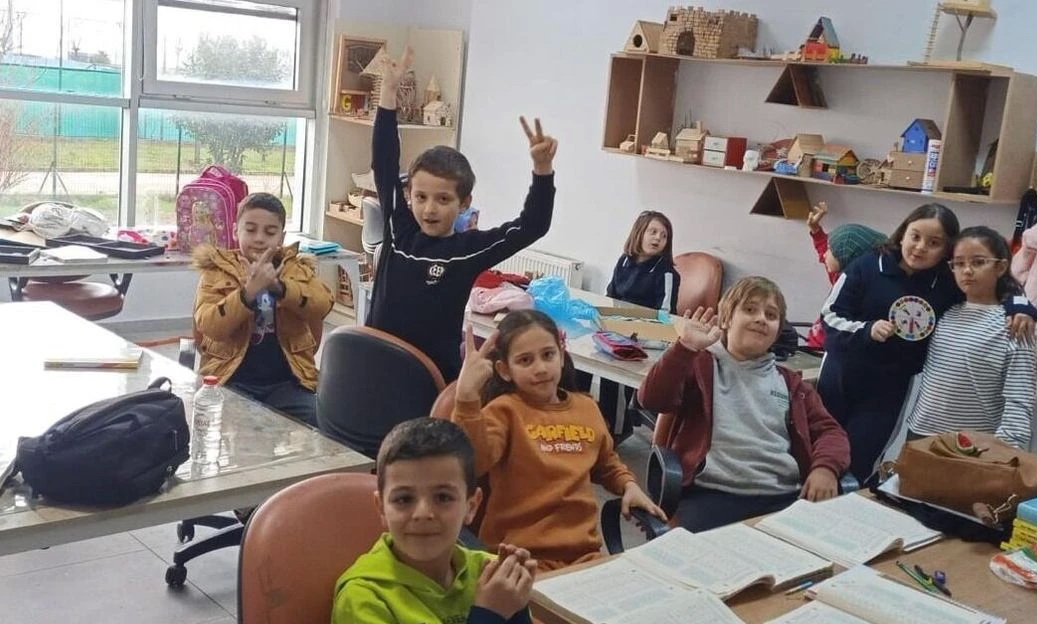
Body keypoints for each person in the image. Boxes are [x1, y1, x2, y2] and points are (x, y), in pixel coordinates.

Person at [330, 417, 554, 624]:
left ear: (471, 506)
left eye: (443, 497)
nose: (423, 513)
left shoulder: (487, 574)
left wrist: (515, 609)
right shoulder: (363, 599)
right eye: (404, 499)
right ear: (381, 508)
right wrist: (489, 616)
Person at [364, 47, 558, 381]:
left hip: (432, 383)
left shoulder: (467, 250)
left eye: (443, 199)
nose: (429, 208)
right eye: (421, 197)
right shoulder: (399, 227)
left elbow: (533, 226)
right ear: (409, 195)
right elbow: (384, 164)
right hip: (376, 370)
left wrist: (543, 170)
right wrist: (388, 94)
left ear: (464, 203)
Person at [817, 203, 1036, 482]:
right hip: (840, 375)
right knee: (817, 451)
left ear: (945, 251)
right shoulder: (869, 264)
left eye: (934, 243)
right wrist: (866, 330)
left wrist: (1022, 306)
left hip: (889, 390)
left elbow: (996, 285)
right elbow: (830, 315)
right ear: (903, 233)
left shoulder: (947, 283)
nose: (920, 248)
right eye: (915, 236)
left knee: (859, 464)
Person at [451, 310, 665, 571]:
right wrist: (466, 398)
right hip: (517, 558)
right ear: (504, 370)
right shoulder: (504, 411)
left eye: (548, 355)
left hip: (584, 555)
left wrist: (628, 485)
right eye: (525, 360)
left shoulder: (587, 408)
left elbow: (606, 462)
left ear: (562, 356)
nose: (541, 368)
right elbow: (473, 463)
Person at [636, 277, 852, 533]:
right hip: (711, 495)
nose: (761, 319)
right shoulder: (699, 366)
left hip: (783, 497)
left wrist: (825, 468)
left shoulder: (791, 384)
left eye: (771, 315)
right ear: (727, 319)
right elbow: (652, 398)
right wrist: (685, 348)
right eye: (750, 309)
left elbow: (830, 432)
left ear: (777, 331)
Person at [192, 192, 332, 426]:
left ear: (281, 237)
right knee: (230, 427)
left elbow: (322, 304)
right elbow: (209, 326)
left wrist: (279, 288)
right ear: (235, 231)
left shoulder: (296, 269)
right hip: (230, 380)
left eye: (270, 232)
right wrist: (247, 294)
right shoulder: (216, 272)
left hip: (287, 384)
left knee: (325, 423)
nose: (259, 239)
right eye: (250, 230)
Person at [905, 226, 1037, 448]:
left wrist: (1006, 450)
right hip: (920, 434)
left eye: (978, 262)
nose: (967, 270)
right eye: (959, 263)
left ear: (1001, 267)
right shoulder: (944, 313)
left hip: (974, 445)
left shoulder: (1015, 324)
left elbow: (1020, 396)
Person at [599, 210, 681, 438]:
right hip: (621, 330)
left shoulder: (666, 273)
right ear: (639, 233)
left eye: (663, 235)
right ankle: (588, 419)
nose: (658, 238)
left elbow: (665, 316)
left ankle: (616, 430)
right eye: (653, 232)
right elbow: (610, 297)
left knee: (613, 368)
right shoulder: (624, 261)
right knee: (584, 364)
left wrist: (631, 331)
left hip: (652, 336)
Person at [803, 202, 887, 349]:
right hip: (813, 345)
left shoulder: (855, 293)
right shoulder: (841, 277)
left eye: (830, 249)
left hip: (827, 349)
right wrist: (815, 230)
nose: (825, 254)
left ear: (845, 257)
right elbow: (825, 253)